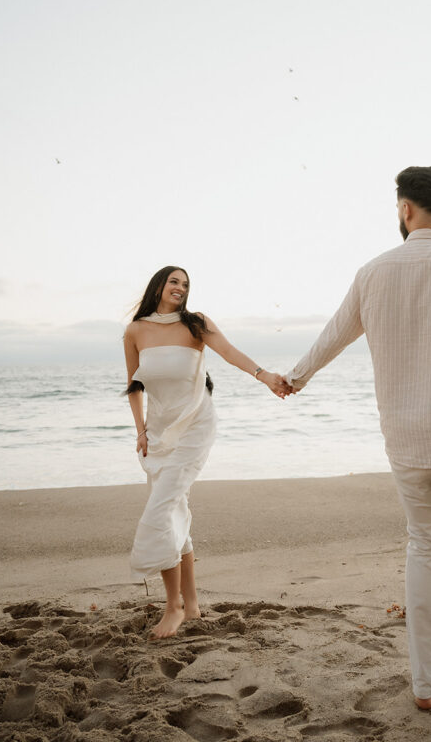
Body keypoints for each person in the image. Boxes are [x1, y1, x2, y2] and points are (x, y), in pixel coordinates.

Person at [285, 167, 431, 742]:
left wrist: (293, 378)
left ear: (404, 209)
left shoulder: (373, 272)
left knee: (425, 550)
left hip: (406, 444)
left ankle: (425, 684)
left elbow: (334, 335)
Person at [124, 265, 289, 639]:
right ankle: (193, 604)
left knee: (162, 507)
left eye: (185, 284)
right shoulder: (135, 331)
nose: (180, 288)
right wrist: (140, 431)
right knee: (176, 508)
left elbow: (229, 352)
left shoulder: (196, 324)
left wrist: (264, 376)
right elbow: (134, 384)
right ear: (158, 286)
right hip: (160, 432)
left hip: (196, 426)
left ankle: (174, 607)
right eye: (174, 281)